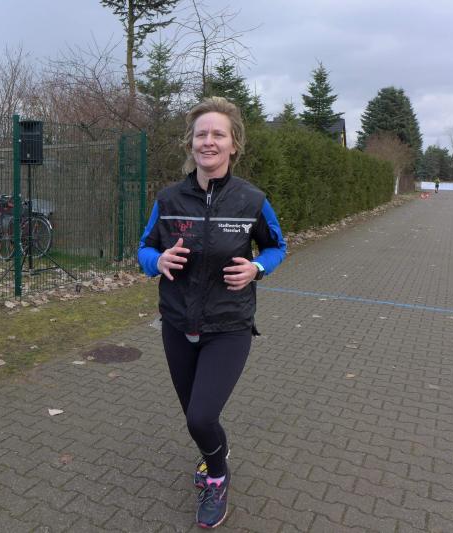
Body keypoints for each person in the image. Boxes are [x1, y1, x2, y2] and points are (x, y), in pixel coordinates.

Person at [137, 96, 287, 528]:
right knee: (196, 419)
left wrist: (257, 268)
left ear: (233, 144)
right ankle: (212, 453)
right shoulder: (168, 199)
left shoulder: (252, 200)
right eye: (201, 134)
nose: (208, 141)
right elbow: (144, 248)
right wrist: (157, 261)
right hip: (177, 323)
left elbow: (277, 246)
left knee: (201, 416)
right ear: (191, 142)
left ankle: (217, 477)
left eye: (218, 134)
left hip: (229, 325)